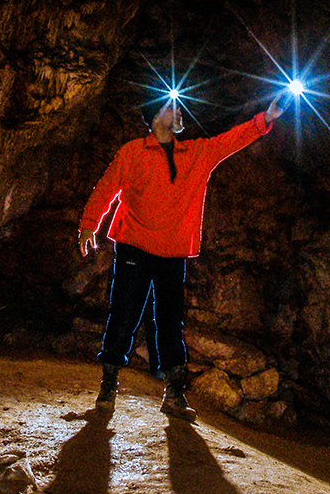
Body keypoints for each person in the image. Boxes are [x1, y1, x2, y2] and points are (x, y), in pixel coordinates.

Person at [78, 96, 284, 420]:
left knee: (171, 321)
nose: (178, 113)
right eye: (170, 108)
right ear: (156, 116)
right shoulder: (133, 152)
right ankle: (108, 386)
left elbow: (230, 141)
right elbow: (107, 187)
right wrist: (89, 225)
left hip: (172, 251)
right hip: (134, 243)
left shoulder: (197, 153)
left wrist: (265, 118)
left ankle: (173, 394)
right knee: (124, 314)